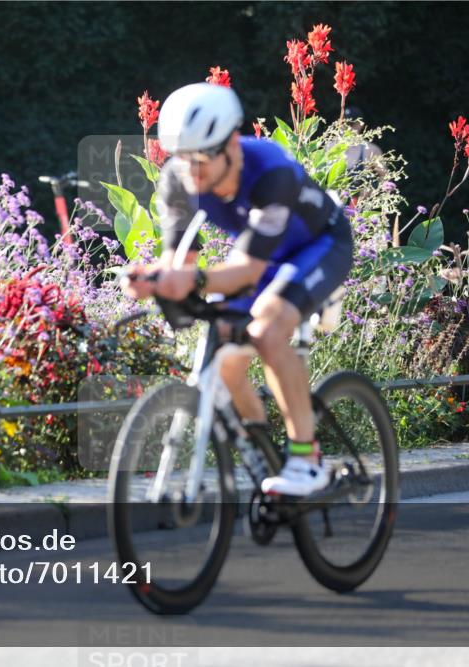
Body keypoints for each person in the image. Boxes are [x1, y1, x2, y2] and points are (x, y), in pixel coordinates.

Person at [121, 83, 354, 497]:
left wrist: (194, 280)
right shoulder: (178, 179)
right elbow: (180, 261)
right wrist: (152, 278)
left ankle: (306, 460)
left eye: (201, 159)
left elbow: (246, 271)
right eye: (182, 158)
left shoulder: (271, 172)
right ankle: (264, 455)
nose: (191, 172)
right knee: (224, 355)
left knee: (267, 330)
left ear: (231, 143)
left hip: (319, 246)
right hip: (262, 257)